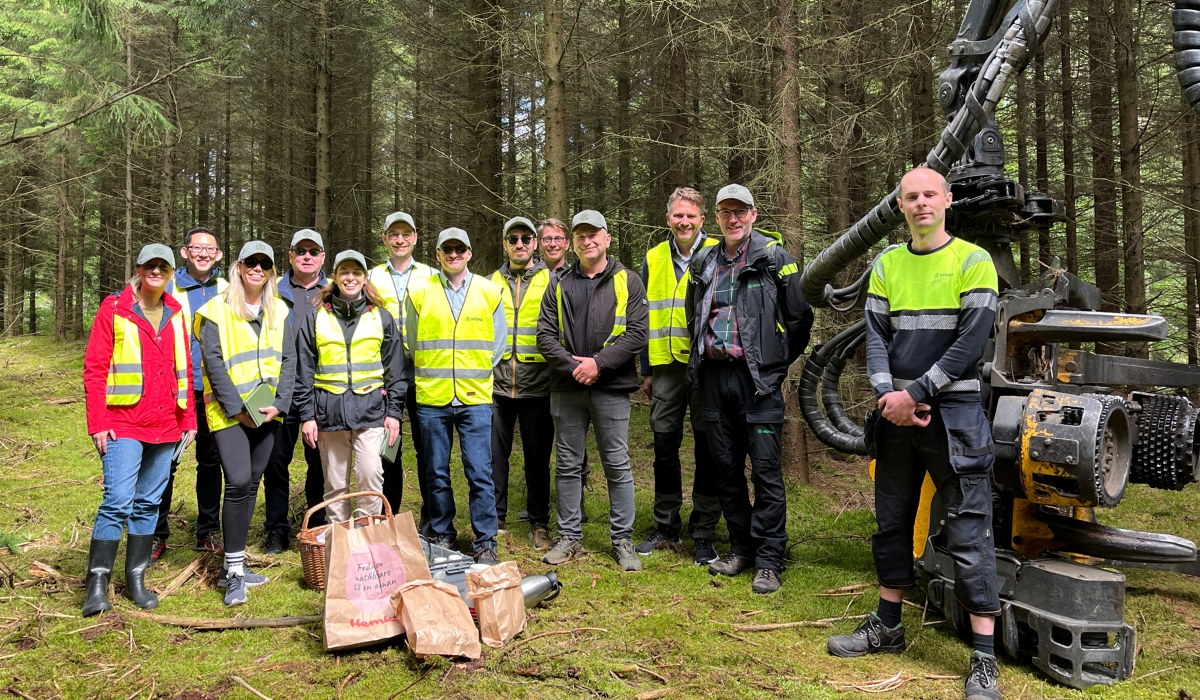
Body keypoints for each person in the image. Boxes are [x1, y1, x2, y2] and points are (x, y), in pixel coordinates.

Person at [825, 167, 1002, 700]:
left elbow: (971, 342)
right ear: (900, 206)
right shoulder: (886, 264)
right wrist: (888, 396)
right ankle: (888, 625)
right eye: (911, 197)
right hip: (895, 418)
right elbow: (875, 337)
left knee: (970, 532)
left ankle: (984, 659)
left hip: (956, 418)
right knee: (891, 522)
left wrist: (918, 392)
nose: (921, 203)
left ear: (947, 201)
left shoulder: (973, 260)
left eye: (930, 195)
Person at [686, 184, 813, 594]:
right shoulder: (705, 260)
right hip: (713, 378)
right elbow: (695, 315)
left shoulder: (773, 258)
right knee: (726, 470)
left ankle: (770, 559)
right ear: (717, 218)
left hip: (757, 383)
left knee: (766, 473)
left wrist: (774, 366)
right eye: (726, 212)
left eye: (740, 211)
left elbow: (800, 320)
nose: (733, 219)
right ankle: (742, 549)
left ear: (754, 214)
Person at [82, 244, 197, 616]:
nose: (156, 271)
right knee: (117, 500)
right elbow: (95, 369)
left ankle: (136, 578)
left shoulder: (177, 312)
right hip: (123, 423)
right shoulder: (114, 309)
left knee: (148, 503)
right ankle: (97, 583)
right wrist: (98, 422)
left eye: (163, 267)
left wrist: (189, 420)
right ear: (139, 268)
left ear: (169, 272)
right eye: (150, 265)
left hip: (166, 425)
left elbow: (186, 370)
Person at [535, 210, 649, 572]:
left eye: (593, 234)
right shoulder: (558, 283)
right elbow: (545, 336)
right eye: (581, 235)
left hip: (612, 387)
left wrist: (598, 364)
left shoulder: (627, 281)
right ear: (574, 242)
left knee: (617, 464)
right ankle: (569, 536)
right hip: (566, 388)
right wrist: (575, 367)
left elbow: (637, 334)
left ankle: (622, 540)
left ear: (607, 238)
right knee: (568, 465)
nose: (588, 241)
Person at [195, 241, 296, 606]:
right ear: (238, 267)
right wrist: (236, 408)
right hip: (228, 413)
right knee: (237, 481)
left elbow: (289, 360)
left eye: (264, 264)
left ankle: (233, 564)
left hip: (267, 413)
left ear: (270, 271)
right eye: (250, 262)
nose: (257, 268)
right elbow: (214, 362)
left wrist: (280, 404)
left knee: (252, 482)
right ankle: (233, 569)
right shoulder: (214, 311)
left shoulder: (280, 311)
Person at [406, 228, 508, 565]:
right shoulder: (419, 293)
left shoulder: (489, 291)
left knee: (479, 471)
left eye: (459, 249)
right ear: (437, 254)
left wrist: (471, 371)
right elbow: (412, 341)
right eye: (446, 249)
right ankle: (442, 533)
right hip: (432, 398)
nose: (453, 254)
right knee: (435, 471)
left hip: (474, 397)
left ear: (469, 252)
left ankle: (485, 541)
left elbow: (496, 346)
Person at [636, 187, 722, 565]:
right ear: (667, 218)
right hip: (666, 367)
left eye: (691, 216)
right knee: (664, 448)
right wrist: (646, 368)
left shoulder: (720, 251)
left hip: (708, 366)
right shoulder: (653, 258)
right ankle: (666, 526)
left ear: (702, 219)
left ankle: (703, 529)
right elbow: (641, 316)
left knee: (708, 449)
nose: (684, 222)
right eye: (677, 216)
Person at [296, 250, 406, 523]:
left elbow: (396, 371)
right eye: (344, 272)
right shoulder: (315, 317)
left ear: (365, 278)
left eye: (356, 273)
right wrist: (307, 416)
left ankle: (370, 544)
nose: (350, 277)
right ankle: (340, 546)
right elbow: (304, 371)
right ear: (334, 277)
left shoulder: (381, 317)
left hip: (371, 412)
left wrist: (393, 413)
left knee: (370, 478)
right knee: (335, 487)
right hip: (329, 414)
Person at [153, 227, 227, 561]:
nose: (202, 254)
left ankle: (208, 529)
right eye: (196, 248)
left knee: (211, 462)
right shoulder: (166, 287)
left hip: (213, 390)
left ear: (218, 255)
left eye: (208, 249)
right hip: (173, 390)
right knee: (164, 462)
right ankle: (156, 532)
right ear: (184, 252)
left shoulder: (228, 289)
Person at [489, 216, 554, 551]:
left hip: (537, 384)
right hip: (497, 385)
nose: (519, 244)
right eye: (512, 239)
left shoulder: (551, 279)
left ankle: (539, 522)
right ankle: (495, 518)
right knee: (494, 456)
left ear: (535, 243)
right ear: (504, 244)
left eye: (525, 238)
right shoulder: (488, 283)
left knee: (537, 457)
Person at [367, 212, 435, 528]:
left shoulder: (432, 276)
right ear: (384, 239)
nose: (399, 240)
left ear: (415, 237)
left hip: (422, 372)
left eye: (405, 234)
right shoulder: (371, 277)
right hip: (385, 374)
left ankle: (431, 517)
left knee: (428, 448)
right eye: (393, 234)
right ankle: (388, 516)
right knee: (388, 449)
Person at [263, 229, 327, 554]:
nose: (306, 256)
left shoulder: (333, 292)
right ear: (289, 256)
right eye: (299, 251)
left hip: (320, 392)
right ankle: (276, 529)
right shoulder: (271, 292)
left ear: (322, 257)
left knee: (319, 464)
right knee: (275, 462)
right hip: (279, 391)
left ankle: (316, 527)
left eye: (313, 251)